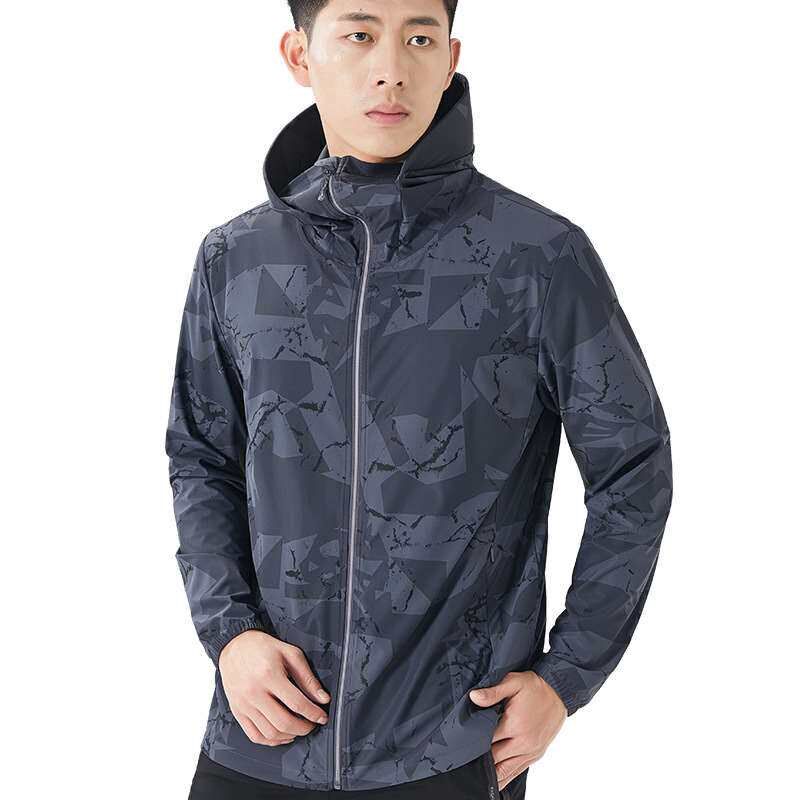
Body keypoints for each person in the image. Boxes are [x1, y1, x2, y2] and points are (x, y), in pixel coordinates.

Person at [164, 1, 673, 797]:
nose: (391, 68)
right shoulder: (236, 257)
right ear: (300, 54)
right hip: (259, 739)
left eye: (419, 38)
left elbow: (633, 470)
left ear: (450, 57)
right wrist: (231, 637)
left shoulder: (537, 258)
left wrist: (566, 677)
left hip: (451, 745)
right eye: (359, 34)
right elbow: (201, 459)